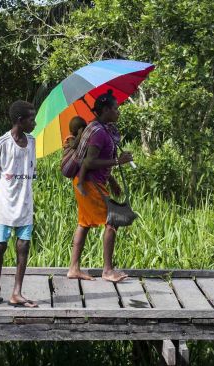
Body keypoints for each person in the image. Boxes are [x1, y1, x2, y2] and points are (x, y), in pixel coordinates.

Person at [67, 90, 133, 283]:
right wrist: (118, 162)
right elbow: (89, 162)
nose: (118, 112)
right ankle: (107, 270)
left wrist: (112, 181)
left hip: (90, 183)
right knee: (113, 221)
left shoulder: (103, 129)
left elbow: (100, 159)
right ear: (105, 110)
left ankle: (74, 268)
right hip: (88, 183)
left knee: (84, 224)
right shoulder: (97, 132)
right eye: (115, 108)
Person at [0, 100, 38, 308]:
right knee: (0, 246)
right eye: (32, 119)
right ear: (19, 120)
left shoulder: (32, 142)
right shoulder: (1, 143)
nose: (35, 123)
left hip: (25, 203)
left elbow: (32, 172)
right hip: (4, 204)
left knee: (23, 246)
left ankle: (17, 292)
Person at [62, 116, 90, 196]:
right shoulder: (70, 138)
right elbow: (74, 145)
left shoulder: (79, 139)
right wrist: (80, 134)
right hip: (67, 164)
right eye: (82, 129)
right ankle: (79, 183)